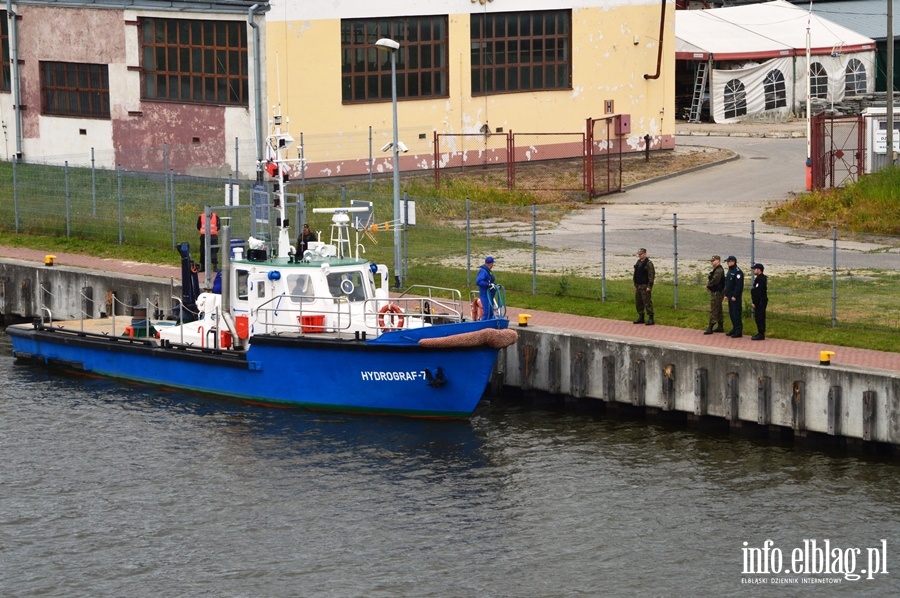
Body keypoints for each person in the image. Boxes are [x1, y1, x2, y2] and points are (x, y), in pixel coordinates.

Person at [632, 248, 655, 325]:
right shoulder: (638, 262)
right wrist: (635, 284)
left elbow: (651, 276)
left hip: (645, 286)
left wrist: (649, 286)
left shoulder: (648, 263)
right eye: (639, 254)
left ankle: (651, 318)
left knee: (647, 302)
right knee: (639, 302)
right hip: (638, 286)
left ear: (645, 254)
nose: (639, 255)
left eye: (641, 254)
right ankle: (641, 316)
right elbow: (635, 274)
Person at [704, 255, 725, 334]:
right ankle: (720, 325)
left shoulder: (719, 270)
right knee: (718, 308)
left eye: (713, 261)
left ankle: (710, 327)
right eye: (711, 261)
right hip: (717, 291)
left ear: (718, 260)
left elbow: (715, 280)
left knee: (714, 309)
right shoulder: (716, 270)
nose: (712, 262)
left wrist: (709, 285)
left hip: (717, 292)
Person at [723, 255, 744, 338]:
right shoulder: (730, 271)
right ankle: (734, 328)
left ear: (733, 262)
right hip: (730, 295)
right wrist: (726, 294)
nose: (727, 263)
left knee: (736, 313)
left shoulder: (738, 272)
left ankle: (738, 330)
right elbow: (728, 284)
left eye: (729, 261)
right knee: (731, 313)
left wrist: (735, 295)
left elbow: (739, 286)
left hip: (735, 297)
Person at [476, 256, 497, 320]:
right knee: (487, 312)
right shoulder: (483, 271)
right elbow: (479, 281)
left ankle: (491, 323)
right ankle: (482, 325)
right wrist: (488, 285)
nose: (493, 265)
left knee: (490, 311)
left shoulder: (488, 271)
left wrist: (494, 285)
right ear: (490, 264)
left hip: (490, 294)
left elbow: (490, 281)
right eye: (492, 263)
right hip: (485, 293)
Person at [751, 263, 768, 340]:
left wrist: (755, 302)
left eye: (755, 269)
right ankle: (760, 332)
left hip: (760, 302)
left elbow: (758, 292)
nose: (754, 270)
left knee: (760, 317)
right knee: (758, 317)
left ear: (759, 270)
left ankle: (761, 333)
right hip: (759, 301)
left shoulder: (761, 279)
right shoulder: (759, 279)